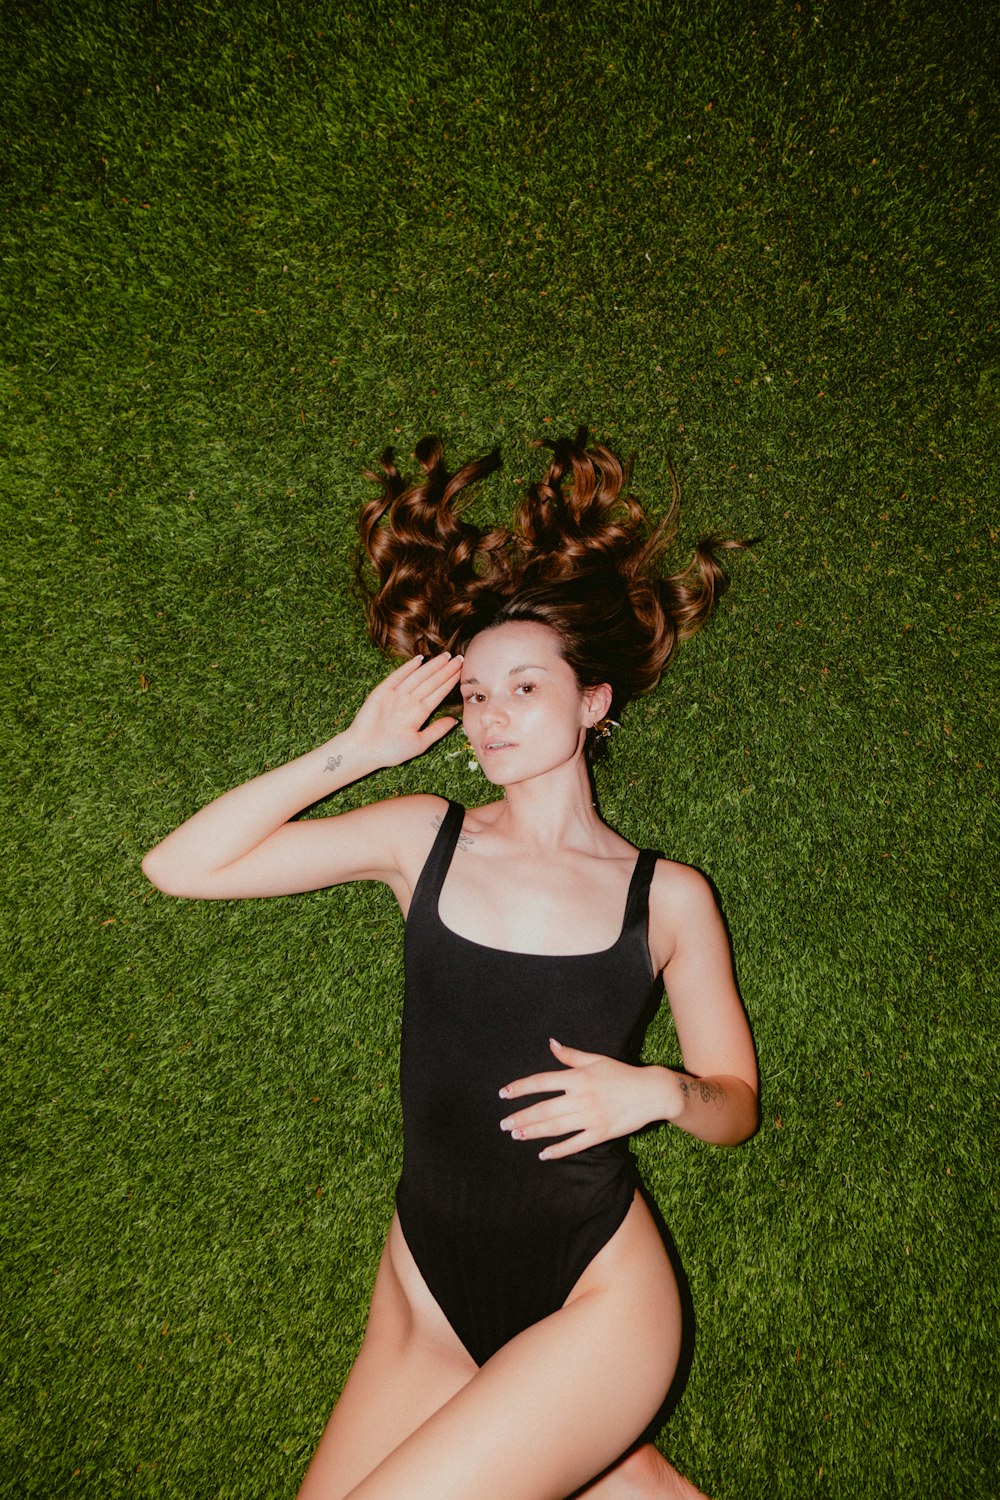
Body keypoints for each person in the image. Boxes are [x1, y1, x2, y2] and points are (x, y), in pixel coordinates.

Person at [142, 429, 759, 1500]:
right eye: (475, 694)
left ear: (593, 701)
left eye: (525, 687)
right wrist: (357, 752)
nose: (492, 713)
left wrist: (659, 1092)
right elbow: (179, 867)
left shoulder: (666, 899)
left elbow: (737, 1105)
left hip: (596, 1291)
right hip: (428, 1280)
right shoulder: (420, 834)